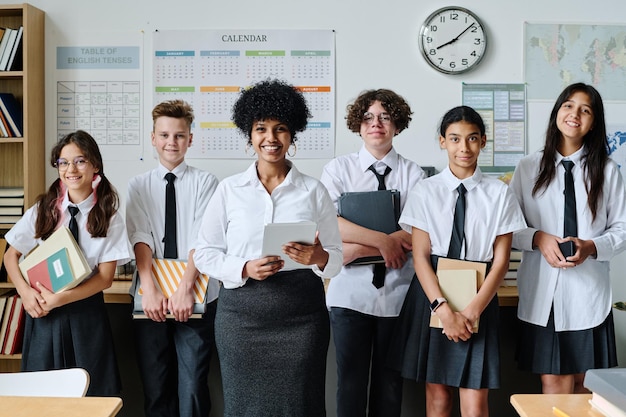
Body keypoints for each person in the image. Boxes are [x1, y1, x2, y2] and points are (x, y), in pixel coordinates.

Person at [193, 79, 342, 417]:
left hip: (302, 319)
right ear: (250, 134)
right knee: (245, 407)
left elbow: (336, 259)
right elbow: (204, 253)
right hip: (241, 319)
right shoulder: (229, 190)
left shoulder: (313, 191)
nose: (271, 138)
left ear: (293, 135)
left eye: (281, 129)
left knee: (300, 407)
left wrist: (317, 257)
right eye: (261, 129)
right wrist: (244, 268)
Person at [389, 106, 526, 417]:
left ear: (483, 141)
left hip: (479, 293)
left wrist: (471, 311)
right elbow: (421, 257)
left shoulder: (500, 193)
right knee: (437, 398)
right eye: (455, 139)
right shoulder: (425, 190)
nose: (464, 148)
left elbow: (501, 261)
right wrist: (443, 309)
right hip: (433, 293)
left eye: (472, 139)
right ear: (442, 142)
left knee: (475, 402)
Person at [510, 83, 626, 394]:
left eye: (585, 110)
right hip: (542, 293)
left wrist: (592, 246)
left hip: (588, 292)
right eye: (568, 105)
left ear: (594, 122)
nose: (575, 114)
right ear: (557, 112)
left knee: (587, 385)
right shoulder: (528, 167)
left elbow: (622, 228)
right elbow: (508, 227)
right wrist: (538, 238)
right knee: (555, 383)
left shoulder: (607, 170)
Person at [319, 88, 425, 417]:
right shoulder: (338, 170)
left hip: (398, 295)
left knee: (389, 386)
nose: (375, 123)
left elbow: (418, 231)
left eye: (384, 116)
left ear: (397, 124)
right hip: (349, 294)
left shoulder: (415, 174)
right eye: (367, 117)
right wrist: (383, 241)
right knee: (349, 385)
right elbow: (327, 226)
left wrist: (353, 247)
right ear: (358, 124)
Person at [3, 130, 130, 396]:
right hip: (43, 313)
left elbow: (105, 278)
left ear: (95, 165)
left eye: (80, 161)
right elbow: (10, 255)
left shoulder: (109, 216)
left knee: (91, 395)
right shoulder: (43, 210)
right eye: (63, 162)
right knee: (42, 395)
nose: (71, 169)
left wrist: (62, 299)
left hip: (85, 313)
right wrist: (26, 295)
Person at [125, 99, 219, 417]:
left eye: (179, 136)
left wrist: (185, 289)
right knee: (156, 388)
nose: (171, 143)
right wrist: (149, 288)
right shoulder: (138, 186)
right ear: (153, 138)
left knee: (192, 387)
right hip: (150, 298)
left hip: (195, 292)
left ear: (190, 139)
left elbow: (201, 239)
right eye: (164, 135)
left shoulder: (206, 183)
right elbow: (141, 238)